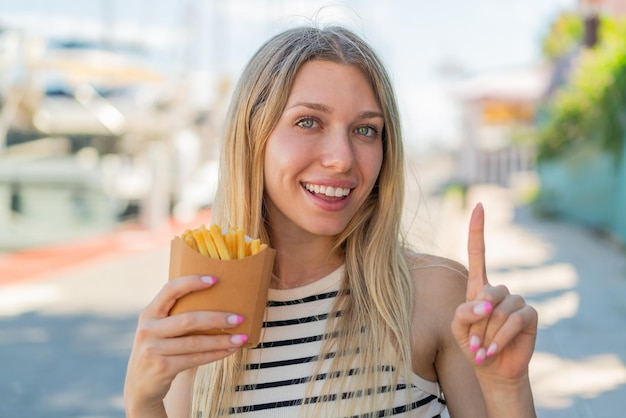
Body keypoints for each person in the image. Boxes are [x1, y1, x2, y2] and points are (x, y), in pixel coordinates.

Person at [124, 25, 538, 418]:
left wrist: (507, 388)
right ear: (252, 135)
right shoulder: (200, 309)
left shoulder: (432, 295)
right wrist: (143, 404)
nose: (342, 157)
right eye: (308, 122)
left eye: (365, 130)